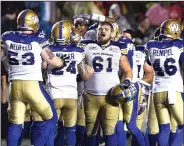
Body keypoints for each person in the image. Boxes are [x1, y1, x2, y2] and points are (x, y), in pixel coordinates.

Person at [1, 9, 68, 146]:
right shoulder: (38, 39)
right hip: (32, 85)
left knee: (15, 124)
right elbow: (53, 60)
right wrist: (62, 62)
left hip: (13, 86)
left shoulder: (7, 37)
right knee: (51, 118)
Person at [80, 21, 133, 146]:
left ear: (111, 33)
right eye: (100, 29)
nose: (102, 31)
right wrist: (82, 71)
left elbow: (128, 71)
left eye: (106, 29)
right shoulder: (86, 46)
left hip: (111, 96)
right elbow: (78, 64)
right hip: (90, 96)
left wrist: (126, 83)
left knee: (109, 131)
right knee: (90, 131)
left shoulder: (118, 47)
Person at [44, 20, 94, 146]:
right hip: (71, 95)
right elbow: (84, 75)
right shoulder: (77, 50)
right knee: (70, 130)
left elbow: (43, 66)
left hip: (54, 94)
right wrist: (91, 70)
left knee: (52, 129)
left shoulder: (49, 49)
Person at [145, 19, 184, 146]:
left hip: (157, 92)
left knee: (164, 129)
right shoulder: (178, 44)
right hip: (173, 90)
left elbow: (150, 62)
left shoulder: (150, 45)